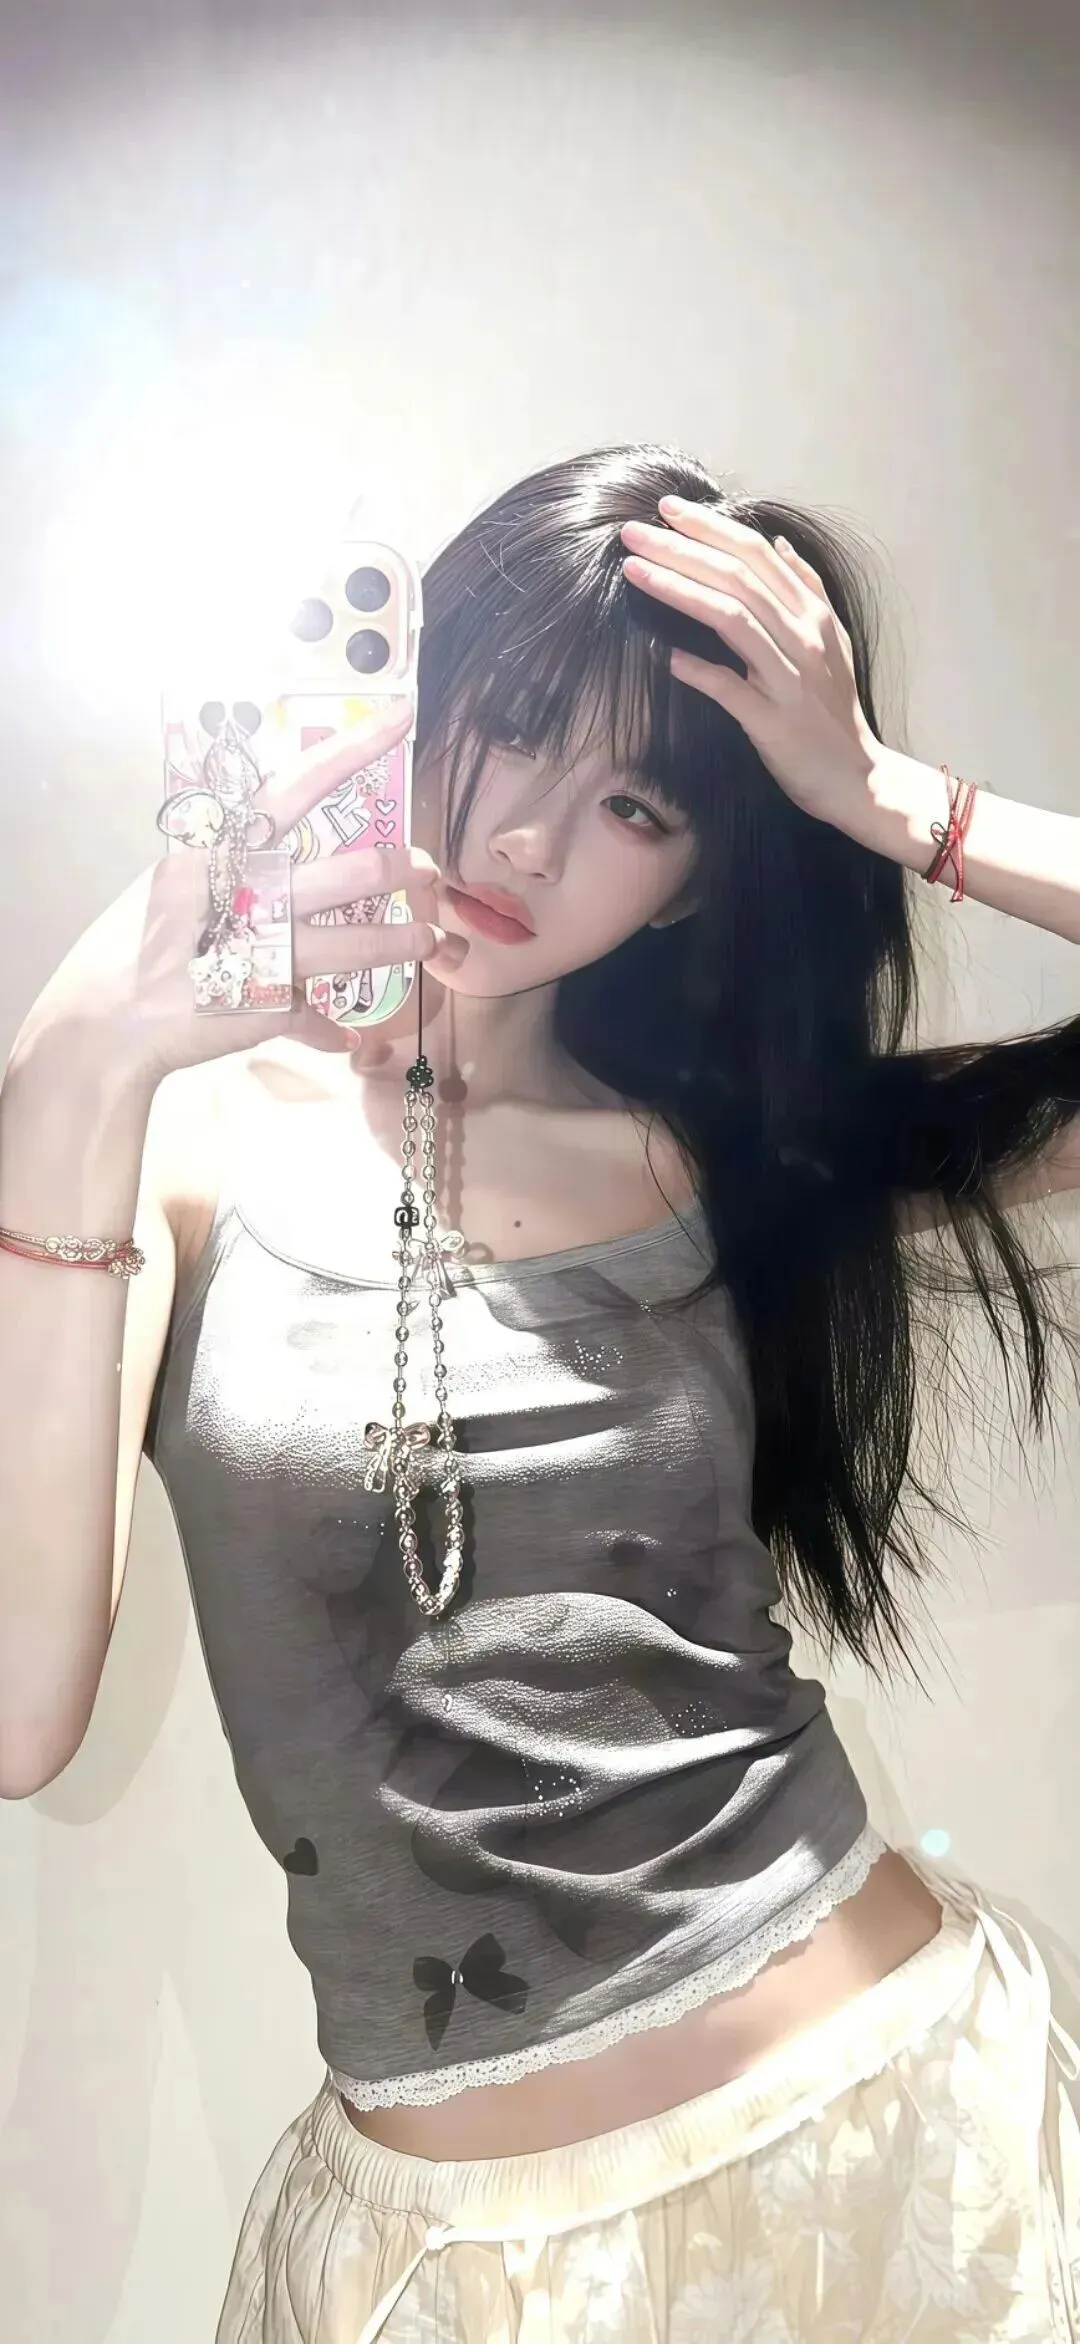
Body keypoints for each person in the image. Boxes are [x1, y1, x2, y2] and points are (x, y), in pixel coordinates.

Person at [2, 441, 1079, 2342]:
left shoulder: (730, 1157)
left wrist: (883, 798)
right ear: (407, 694)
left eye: (636, 804)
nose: (522, 841)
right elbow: (18, 1719)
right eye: (505, 728)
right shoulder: (160, 1149)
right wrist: (73, 1069)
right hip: (444, 2253)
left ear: (691, 885)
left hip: (888, 2156)